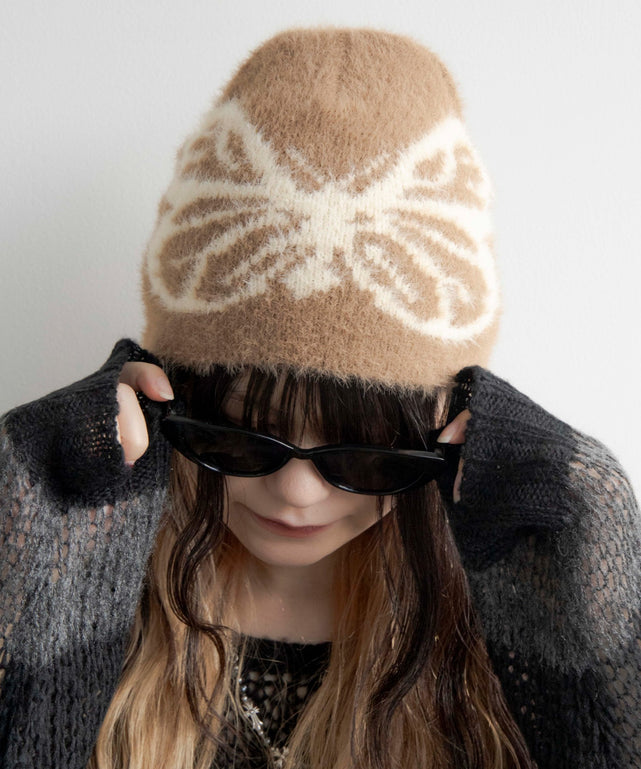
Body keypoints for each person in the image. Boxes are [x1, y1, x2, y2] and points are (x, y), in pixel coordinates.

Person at [1, 27, 639, 769]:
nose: (296, 492)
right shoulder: (96, 590)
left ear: (450, 429)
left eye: (364, 453)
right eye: (241, 435)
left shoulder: (491, 631)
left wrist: (584, 518)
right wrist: (27, 500)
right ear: (168, 402)